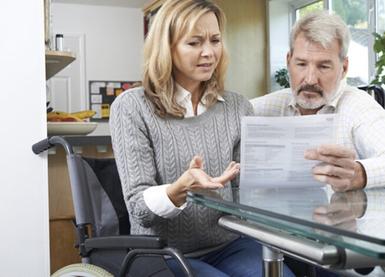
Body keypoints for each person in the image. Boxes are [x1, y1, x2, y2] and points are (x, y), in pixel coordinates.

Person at [109, 0, 294, 276]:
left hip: (230, 244)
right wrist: (179, 189)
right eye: (194, 43)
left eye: (215, 40)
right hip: (160, 251)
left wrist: (290, 174)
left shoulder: (238, 106)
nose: (208, 52)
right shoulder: (131, 107)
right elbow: (138, 209)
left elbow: (251, 194)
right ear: (167, 47)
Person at [251, 11, 385, 192]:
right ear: (288, 61)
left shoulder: (357, 107)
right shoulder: (266, 107)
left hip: (343, 218)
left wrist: (360, 173)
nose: (310, 79)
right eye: (301, 64)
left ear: (344, 68)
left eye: (323, 66)